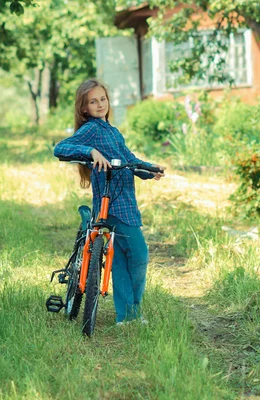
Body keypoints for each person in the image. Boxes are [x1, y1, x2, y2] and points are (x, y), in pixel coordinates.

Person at [53, 78, 165, 325]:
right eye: (93, 101)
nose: (100, 104)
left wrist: (150, 169)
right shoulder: (91, 129)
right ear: (85, 108)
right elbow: (61, 148)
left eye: (102, 99)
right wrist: (90, 152)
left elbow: (130, 160)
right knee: (139, 255)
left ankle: (126, 317)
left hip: (126, 202)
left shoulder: (113, 132)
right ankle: (132, 312)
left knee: (123, 261)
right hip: (111, 204)